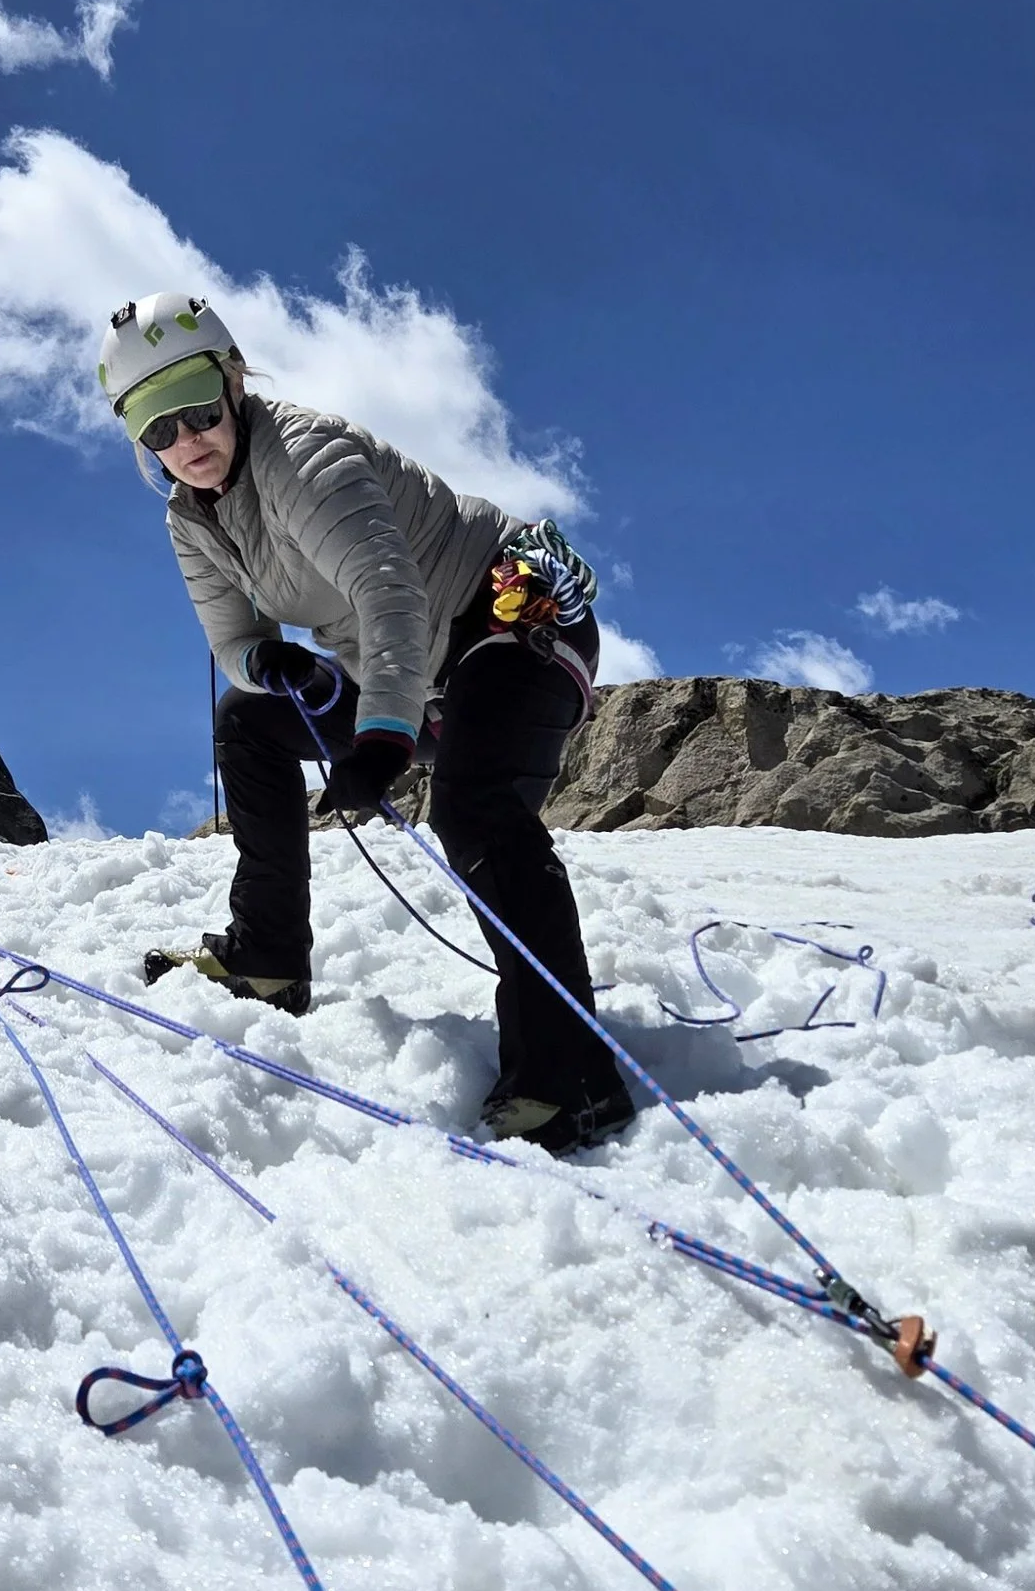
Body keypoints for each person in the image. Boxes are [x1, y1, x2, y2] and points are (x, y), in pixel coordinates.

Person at [100, 291, 635, 1155]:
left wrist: (383, 738)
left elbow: (392, 594)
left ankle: (571, 1072)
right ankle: (268, 960)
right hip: (413, 682)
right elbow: (232, 638)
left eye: (198, 407)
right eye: (157, 428)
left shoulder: (304, 455)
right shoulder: (188, 519)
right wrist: (266, 665)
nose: (186, 441)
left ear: (234, 381)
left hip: (510, 628)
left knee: (474, 807)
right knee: (247, 720)